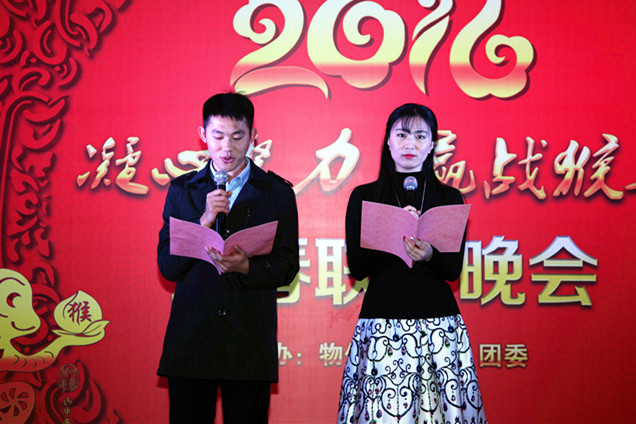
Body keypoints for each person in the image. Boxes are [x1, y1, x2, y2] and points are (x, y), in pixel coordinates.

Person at [337, 104, 486, 423]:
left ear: (432, 144)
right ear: (388, 141)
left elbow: (453, 270)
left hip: (438, 323)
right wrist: (393, 234)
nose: (410, 144)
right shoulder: (364, 196)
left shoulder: (448, 197)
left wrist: (429, 254)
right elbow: (358, 268)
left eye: (420, 136)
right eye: (402, 134)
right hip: (383, 321)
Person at [157, 92, 299, 423]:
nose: (227, 148)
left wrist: (248, 266)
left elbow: (287, 266)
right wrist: (203, 222)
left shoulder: (277, 193)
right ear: (203, 135)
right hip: (192, 340)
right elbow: (168, 266)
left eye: (237, 137)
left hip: (248, 342)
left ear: (253, 136)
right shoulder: (183, 191)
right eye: (218, 136)